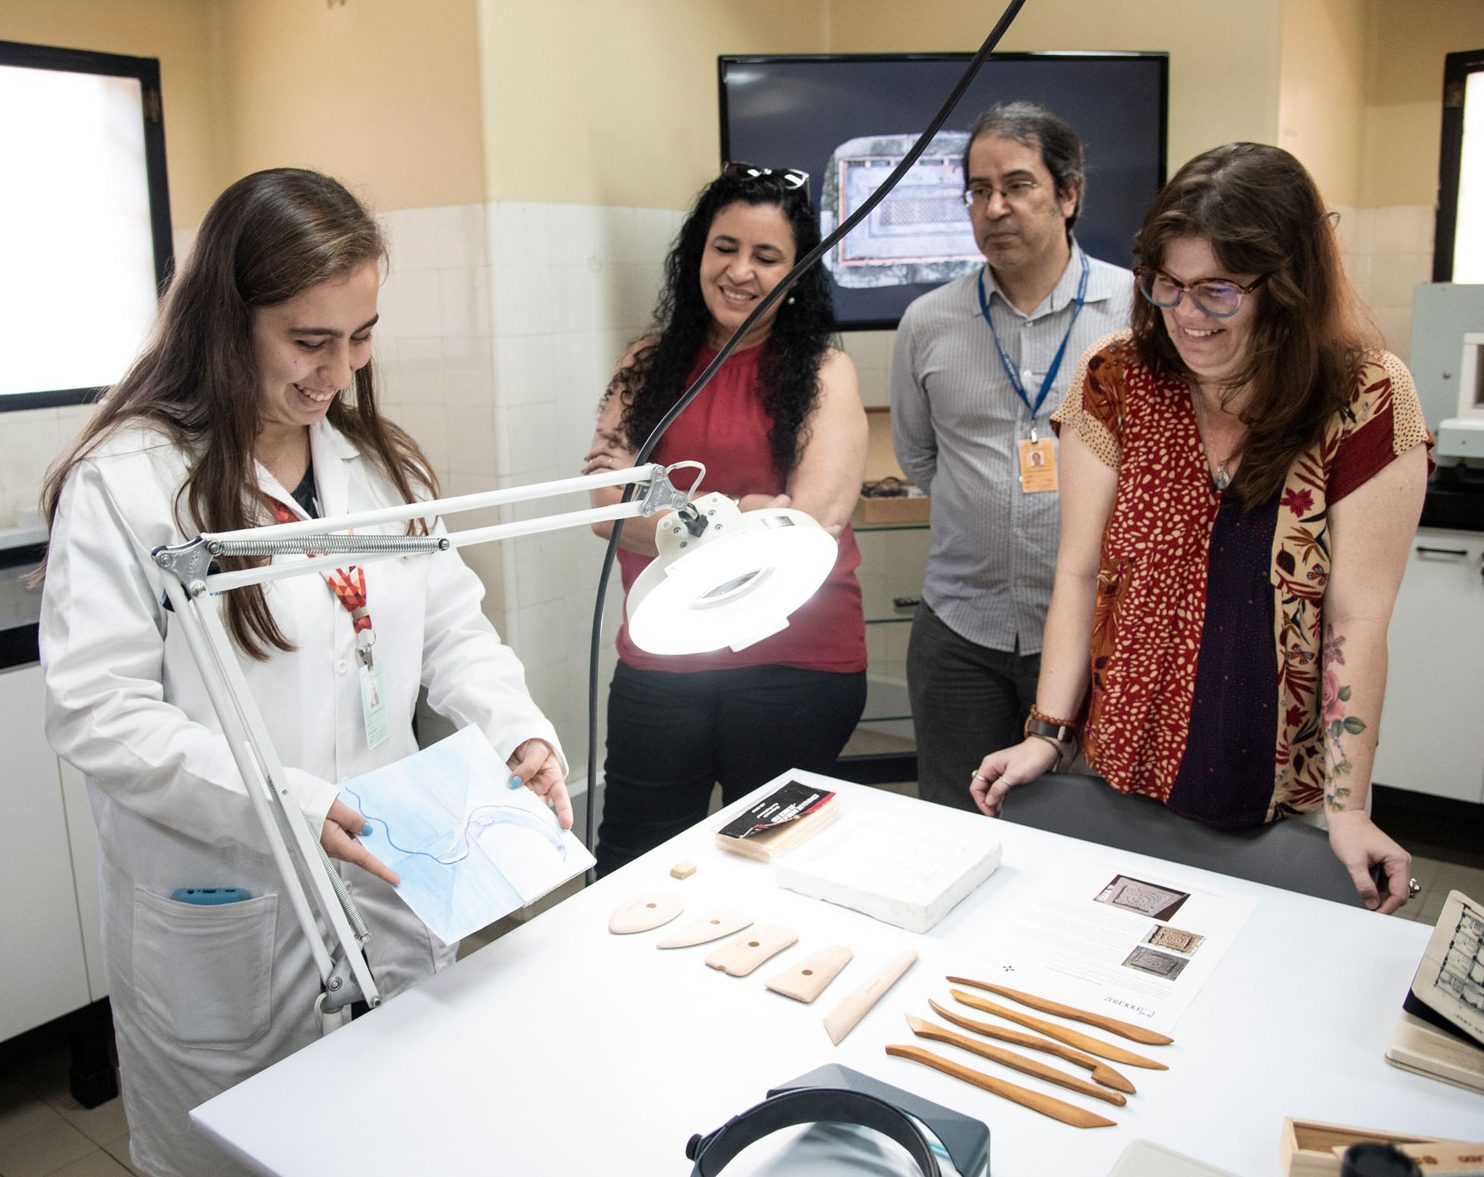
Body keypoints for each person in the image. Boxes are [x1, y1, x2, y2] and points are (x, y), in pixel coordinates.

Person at [39, 168, 570, 1177]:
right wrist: (285, 800)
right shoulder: (130, 480)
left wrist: (519, 732)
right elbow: (96, 711)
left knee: (389, 1131)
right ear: (226, 322)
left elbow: (452, 627)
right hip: (221, 897)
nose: (339, 370)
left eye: (361, 335)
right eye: (308, 339)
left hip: (388, 872)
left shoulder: (381, 469)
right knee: (234, 1150)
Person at [970, 143, 1430, 914]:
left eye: (1218, 291)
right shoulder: (1117, 378)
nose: (1185, 315)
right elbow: (1079, 572)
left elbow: (1358, 619)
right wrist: (1047, 731)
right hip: (1113, 767)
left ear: (1286, 288)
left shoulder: (1369, 397)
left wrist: (1349, 810)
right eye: (1167, 285)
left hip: (1281, 793)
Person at [581, 164, 868, 876]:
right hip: (661, 656)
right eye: (724, 247)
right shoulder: (645, 364)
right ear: (696, 255)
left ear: (796, 271)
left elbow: (812, 524)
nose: (740, 270)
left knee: (773, 871)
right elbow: (605, 509)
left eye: (766, 257)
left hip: (797, 663)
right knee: (631, 862)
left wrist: (677, 522)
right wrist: (741, 514)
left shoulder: (827, 374)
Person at [891, 102, 1135, 811]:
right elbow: (919, 454)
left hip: (1098, 635)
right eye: (978, 189)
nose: (995, 207)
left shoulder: (1137, 313)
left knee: (1092, 831)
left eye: (1018, 185)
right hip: (961, 631)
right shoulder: (929, 322)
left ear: (1069, 194)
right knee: (956, 820)